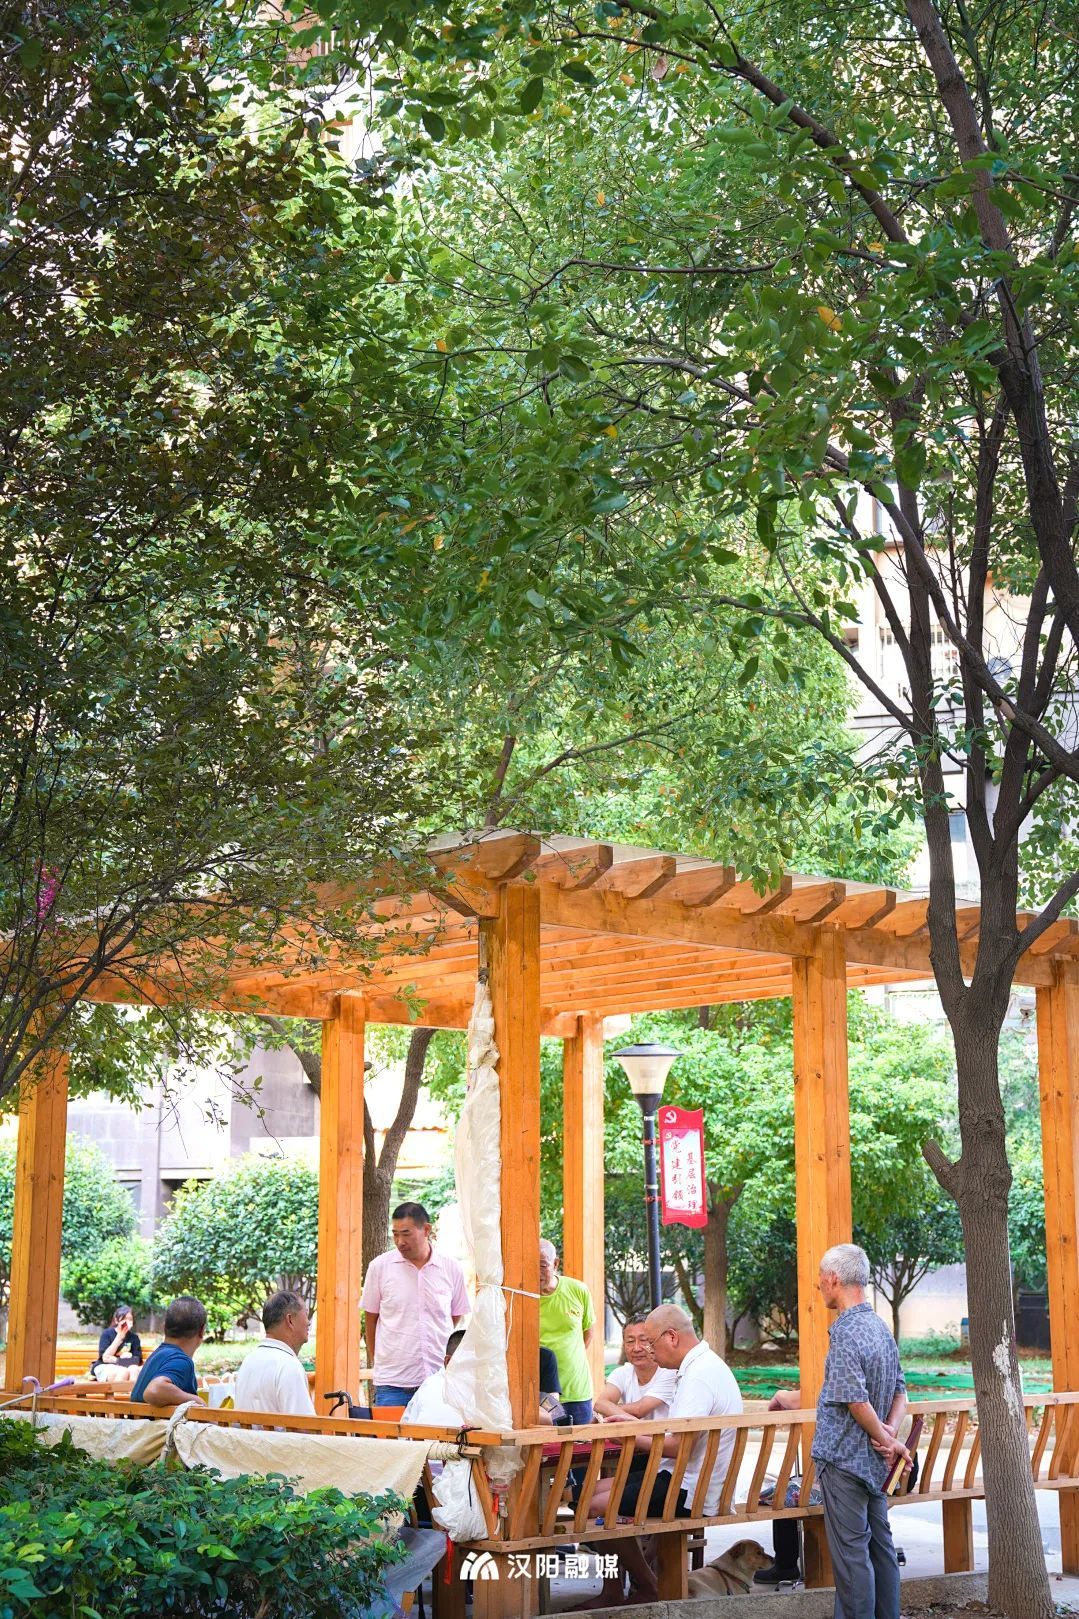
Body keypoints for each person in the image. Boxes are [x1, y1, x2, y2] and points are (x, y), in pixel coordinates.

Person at [581, 1304, 743, 1608]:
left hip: (692, 1489)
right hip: (688, 1477)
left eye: (651, 1343)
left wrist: (629, 1435)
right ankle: (625, 1587)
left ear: (671, 1337)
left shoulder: (697, 1376)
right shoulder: (702, 1365)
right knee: (589, 1492)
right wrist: (633, 1425)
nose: (650, 1352)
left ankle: (647, 1585)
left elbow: (678, 1448)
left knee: (594, 1507)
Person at [812, 1243, 909, 1619]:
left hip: (844, 1462)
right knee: (881, 1551)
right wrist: (891, 1437)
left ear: (834, 1279)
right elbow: (901, 1392)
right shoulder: (880, 1328)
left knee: (852, 1558)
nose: (819, 1285)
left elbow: (855, 1401)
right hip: (875, 1465)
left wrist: (888, 1440)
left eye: (821, 1278)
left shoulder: (845, 1333)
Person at [361, 1202, 469, 1407]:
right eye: (395, 1234)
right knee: (391, 1430)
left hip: (438, 1380)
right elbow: (371, 1320)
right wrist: (380, 1362)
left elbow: (454, 1316)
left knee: (438, 1430)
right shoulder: (379, 1267)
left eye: (406, 1234)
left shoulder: (451, 1268)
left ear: (426, 1229)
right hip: (393, 1384)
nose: (400, 1242)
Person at [539, 1239, 595, 1425]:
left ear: (555, 1264)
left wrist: (570, 1360)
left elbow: (588, 1333)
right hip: (543, 1395)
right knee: (550, 1441)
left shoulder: (578, 1290)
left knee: (580, 1442)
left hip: (577, 1391)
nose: (536, 1272)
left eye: (542, 1266)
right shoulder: (522, 1297)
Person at [234, 1290, 315, 1417]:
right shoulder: (288, 1365)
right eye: (305, 1314)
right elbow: (305, 1426)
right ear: (290, 1320)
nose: (308, 1322)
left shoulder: (248, 1361)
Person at [593, 1315, 678, 1421]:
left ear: (655, 1341)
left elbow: (639, 1409)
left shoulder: (669, 1372)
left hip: (664, 1432)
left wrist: (608, 1410)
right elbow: (600, 1404)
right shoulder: (621, 1373)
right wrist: (606, 1409)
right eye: (630, 1341)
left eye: (644, 1340)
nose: (637, 1348)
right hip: (634, 1431)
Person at [131, 1296, 207, 1408]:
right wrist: (198, 1401)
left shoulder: (157, 1356)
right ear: (202, 1331)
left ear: (164, 1327)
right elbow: (154, 1390)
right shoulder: (181, 1361)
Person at [90, 1304, 143, 1384]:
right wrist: (119, 1338)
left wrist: (117, 1360)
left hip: (126, 1366)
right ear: (116, 1320)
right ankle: (117, 1392)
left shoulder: (134, 1338)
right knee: (123, 1372)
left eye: (130, 1319)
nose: (126, 1322)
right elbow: (105, 1358)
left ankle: (131, 1392)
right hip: (105, 1366)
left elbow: (136, 1360)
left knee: (134, 1370)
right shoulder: (107, 1334)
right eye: (124, 1318)